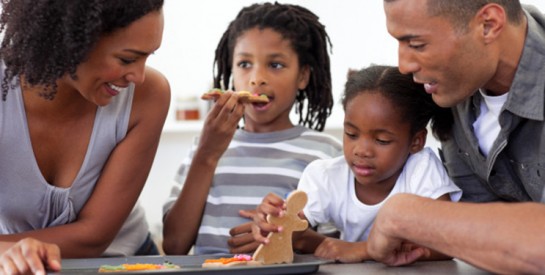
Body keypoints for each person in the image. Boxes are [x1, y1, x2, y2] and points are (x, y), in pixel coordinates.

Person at [366, 0, 545, 273]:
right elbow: (475, 237)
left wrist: (405, 216)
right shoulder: (456, 92)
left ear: (488, 25)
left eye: (416, 45)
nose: (403, 65)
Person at [0, 0, 169, 274]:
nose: (138, 75)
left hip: (127, 261)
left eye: (147, 57)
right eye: (127, 59)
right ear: (71, 38)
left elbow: (93, 238)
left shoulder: (149, 96)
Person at [162, 2, 342, 255]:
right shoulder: (203, 147)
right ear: (231, 71)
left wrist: (282, 238)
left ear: (302, 76)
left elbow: (334, 243)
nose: (257, 78)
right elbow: (173, 245)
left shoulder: (326, 153)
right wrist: (207, 154)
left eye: (276, 65)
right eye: (245, 64)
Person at [252, 65, 462, 263]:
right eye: (351, 134)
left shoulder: (421, 169)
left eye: (381, 140)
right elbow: (293, 230)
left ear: (416, 141)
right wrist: (274, 219)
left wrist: (365, 250)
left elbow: (447, 243)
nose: (361, 150)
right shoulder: (326, 176)